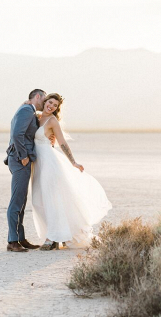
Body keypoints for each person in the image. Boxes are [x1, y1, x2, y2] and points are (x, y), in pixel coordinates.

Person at [31, 93, 112, 250]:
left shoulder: (52, 121)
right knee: (38, 200)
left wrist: (73, 162)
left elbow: (62, 143)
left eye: (55, 105)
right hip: (38, 163)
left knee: (51, 200)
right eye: (50, 102)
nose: (51, 106)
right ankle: (56, 234)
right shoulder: (37, 117)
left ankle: (53, 238)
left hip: (49, 162)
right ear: (45, 101)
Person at [4, 89, 46, 252]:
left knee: (21, 199)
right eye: (44, 98)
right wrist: (23, 156)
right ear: (37, 97)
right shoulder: (27, 110)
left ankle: (20, 238)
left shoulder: (27, 109)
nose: (44, 102)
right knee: (16, 200)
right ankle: (12, 241)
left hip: (20, 159)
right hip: (19, 159)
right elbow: (17, 134)